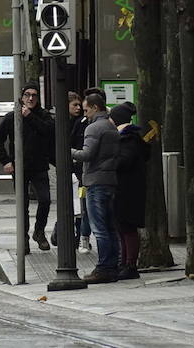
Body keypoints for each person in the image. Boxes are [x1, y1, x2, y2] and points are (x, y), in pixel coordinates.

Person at [0, 82, 56, 251]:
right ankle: (24, 239)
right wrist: (5, 161)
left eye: (34, 95)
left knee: (45, 200)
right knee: (23, 204)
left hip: (39, 166)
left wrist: (30, 116)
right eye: (27, 95)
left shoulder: (43, 116)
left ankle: (39, 231)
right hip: (19, 167)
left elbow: (48, 131)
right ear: (21, 97)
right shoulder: (12, 117)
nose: (30, 98)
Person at [71, 91, 119, 283]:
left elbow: (87, 154)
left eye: (86, 110)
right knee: (110, 227)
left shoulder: (93, 128)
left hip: (95, 181)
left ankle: (104, 268)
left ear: (95, 108)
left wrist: (70, 151)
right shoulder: (110, 125)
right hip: (110, 180)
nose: (85, 114)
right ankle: (113, 265)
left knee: (99, 228)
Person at [110, 102, 148, 280]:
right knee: (122, 226)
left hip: (129, 190)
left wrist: (111, 160)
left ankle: (130, 264)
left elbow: (124, 162)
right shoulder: (131, 138)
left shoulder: (128, 139)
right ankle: (125, 262)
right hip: (126, 189)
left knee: (127, 227)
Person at [70, 90, 93, 253]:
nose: (78, 109)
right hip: (77, 173)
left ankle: (82, 237)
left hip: (83, 173)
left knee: (82, 205)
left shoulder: (83, 122)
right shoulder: (79, 123)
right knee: (80, 205)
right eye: (75, 105)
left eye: (81, 106)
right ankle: (80, 237)